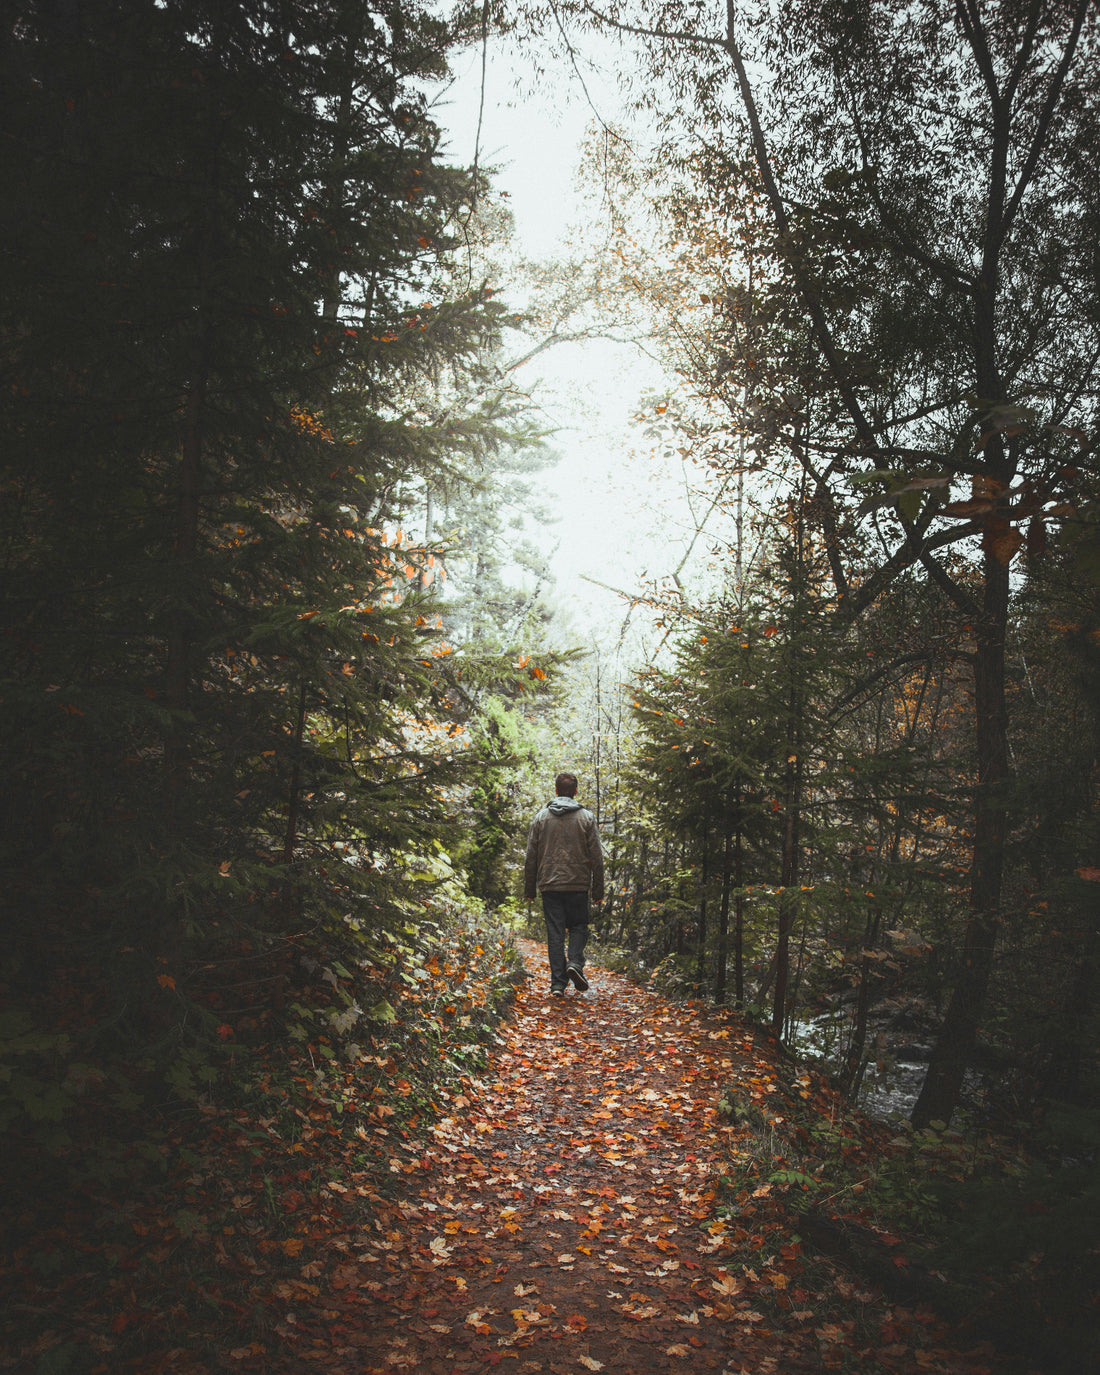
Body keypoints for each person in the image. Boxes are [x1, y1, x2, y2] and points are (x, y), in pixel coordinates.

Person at [523, 772, 604, 995]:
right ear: (575, 791)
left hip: (550, 885)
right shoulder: (586, 817)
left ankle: (558, 983)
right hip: (578, 885)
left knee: (555, 933)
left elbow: (531, 855)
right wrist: (598, 889)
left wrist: (530, 889)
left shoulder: (541, 817)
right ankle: (575, 963)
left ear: (556, 791)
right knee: (579, 926)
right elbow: (596, 856)